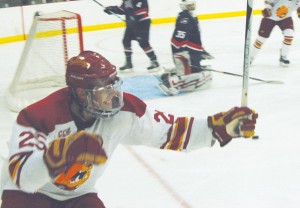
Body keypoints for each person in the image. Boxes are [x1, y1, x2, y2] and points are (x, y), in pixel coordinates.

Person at [0, 51, 258, 208]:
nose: (113, 97)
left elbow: (170, 131)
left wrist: (217, 129)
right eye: (104, 91)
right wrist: (60, 156)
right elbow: (22, 177)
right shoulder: (38, 117)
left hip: (78, 196)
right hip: (30, 195)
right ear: (81, 93)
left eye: (114, 86)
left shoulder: (124, 112)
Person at [157, 0, 214, 96]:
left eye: (193, 4)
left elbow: (194, 37)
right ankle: (173, 84)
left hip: (193, 51)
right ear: (184, 6)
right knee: (195, 72)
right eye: (190, 5)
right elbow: (179, 38)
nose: (193, 6)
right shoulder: (185, 18)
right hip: (187, 52)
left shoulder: (191, 16)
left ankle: (171, 76)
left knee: (197, 69)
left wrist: (201, 50)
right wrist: (181, 54)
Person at [103, 0, 160, 72]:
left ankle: (154, 61)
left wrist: (133, 18)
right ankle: (128, 63)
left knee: (143, 43)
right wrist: (112, 9)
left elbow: (143, 10)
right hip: (132, 23)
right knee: (126, 41)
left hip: (142, 22)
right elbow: (123, 9)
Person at [250, 0, 300, 67]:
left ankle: (283, 56)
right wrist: (267, 8)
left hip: (285, 18)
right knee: (261, 39)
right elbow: (269, 2)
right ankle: (250, 58)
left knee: (289, 34)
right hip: (270, 18)